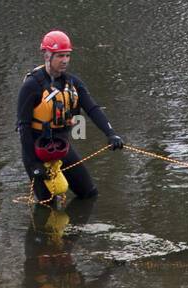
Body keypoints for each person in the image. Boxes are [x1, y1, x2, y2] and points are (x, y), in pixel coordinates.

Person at [17, 29, 124, 205]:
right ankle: (45, 231)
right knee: (48, 205)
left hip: (60, 147)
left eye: (67, 56)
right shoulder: (31, 86)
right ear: (47, 55)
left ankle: (74, 230)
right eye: (60, 56)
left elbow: (93, 109)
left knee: (89, 194)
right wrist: (34, 165)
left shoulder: (73, 83)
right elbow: (23, 127)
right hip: (36, 150)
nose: (65, 61)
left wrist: (111, 134)